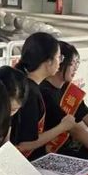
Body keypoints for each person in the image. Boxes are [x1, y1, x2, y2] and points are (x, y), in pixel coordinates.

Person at [11, 32, 77, 161]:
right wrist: (62, 127)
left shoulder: (23, 82)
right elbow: (24, 145)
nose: (60, 62)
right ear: (48, 61)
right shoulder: (30, 93)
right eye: (59, 57)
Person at [40, 41, 88, 160]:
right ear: (59, 62)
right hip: (51, 150)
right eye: (73, 63)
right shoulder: (44, 92)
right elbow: (74, 129)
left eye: (77, 63)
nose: (76, 68)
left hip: (70, 144)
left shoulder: (68, 89)